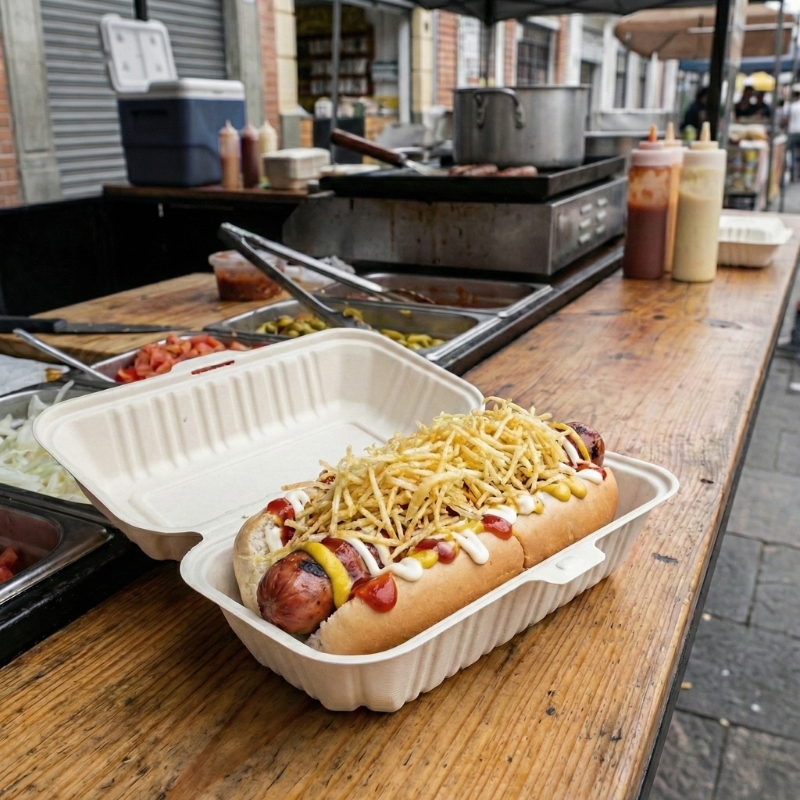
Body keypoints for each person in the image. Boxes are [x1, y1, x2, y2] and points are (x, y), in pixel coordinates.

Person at [788, 90, 800, 180]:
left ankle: (793, 174)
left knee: (792, 153)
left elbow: (786, 119)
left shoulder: (790, 106)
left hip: (792, 132)